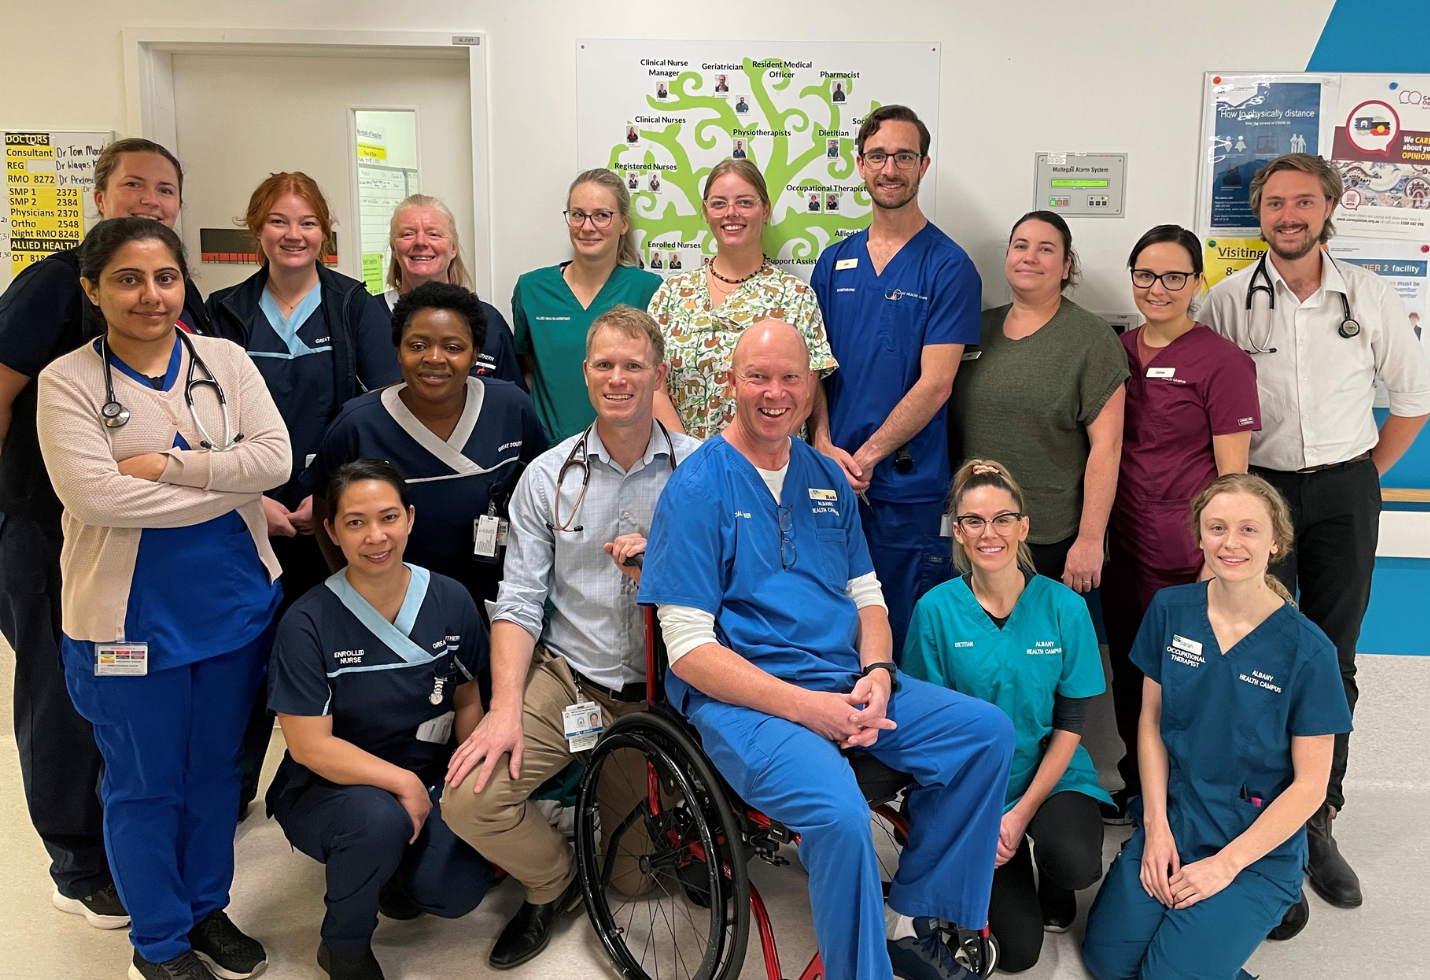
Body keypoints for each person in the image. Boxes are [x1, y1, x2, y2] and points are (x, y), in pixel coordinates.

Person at [639, 321, 1014, 980]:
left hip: (843, 677)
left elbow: (868, 596)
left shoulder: (825, 477)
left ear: (811, 386)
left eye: (790, 377)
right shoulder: (697, 488)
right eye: (758, 376)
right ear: (731, 383)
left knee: (985, 733)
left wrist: (875, 670)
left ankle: (910, 918)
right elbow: (691, 652)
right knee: (841, 817)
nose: (775, 392)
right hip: (746, 699)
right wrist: (810, 710)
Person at [36, 218, 291, 980]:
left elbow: (274, 459)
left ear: (184, 284)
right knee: (145, 783)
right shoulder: (67, 383)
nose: (151, 295)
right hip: (128, 622)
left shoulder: (225, 359)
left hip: (233, 607)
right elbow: (96, 496)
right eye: (128, 279)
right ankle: (158, 943)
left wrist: (172, 468)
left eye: (165, 278)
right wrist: (220, 476)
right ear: (93, 289)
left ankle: (205, 909)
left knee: (216, 772)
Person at [1200, 153, 1430, 920]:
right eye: (1273, 204)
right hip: (1259, 493)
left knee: (1331, 656)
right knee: (1253, 653)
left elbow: (1414, 397)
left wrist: (1362, 471)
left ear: (1329, 207)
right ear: (1258, 214)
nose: (1288, 216)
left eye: (1303, 202)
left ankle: (1318, 820)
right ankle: (1253, 814)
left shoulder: (1366, 294)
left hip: (1342, 490)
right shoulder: (1229, 300)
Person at [441, 305, 700, 969]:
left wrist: (663, 559)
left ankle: (624, 828)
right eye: (605, 364)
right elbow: (522, 601)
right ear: (585, 374)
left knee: (638, 878)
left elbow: (734, 584)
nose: (619, 378)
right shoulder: (548, 476)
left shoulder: (700, 472)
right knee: (470, 802)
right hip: (571, 681)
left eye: (634, 365)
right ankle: (554, 880)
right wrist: (503, 712)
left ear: (659, 374)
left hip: (665, 697)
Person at [0, 137, 209, 930]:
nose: (149, 201)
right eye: (133, 186)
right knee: (61, 691)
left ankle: (131, 834)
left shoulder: (181, 299)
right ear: (100, 196)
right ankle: (77, 862)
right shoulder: (54, 285)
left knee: (127, 687)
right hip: (48, 527)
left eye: (164, 189)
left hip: (142, 535)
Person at [1082, 474, 1353, 980]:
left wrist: (1225, 865)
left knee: (1165, 976)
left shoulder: (1308, 651)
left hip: (1253, 847)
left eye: (1249, 529)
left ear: (1276, 541)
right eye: (1217, 528)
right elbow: (1151, 723)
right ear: (1200, 536)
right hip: (1178, 819)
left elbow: (1311, 787)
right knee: (1107, 962)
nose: (1231, 542)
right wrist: (1157, 829)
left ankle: (1261, 907)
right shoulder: (1170, 610)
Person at [207, 172, 401, 811]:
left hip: (333, 512)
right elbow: (205, 417)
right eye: (280, 222)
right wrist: (249, 500)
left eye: (308, 223)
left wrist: (333, 498)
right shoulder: (225, 311)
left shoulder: (354, 306)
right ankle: (231, 794)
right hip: (247, 508)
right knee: (245, 654)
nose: (294, 235)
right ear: (256, 230)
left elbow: (381, 409)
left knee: (335, 651)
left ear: (326, 234)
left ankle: (328, 789)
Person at [268, 460, 497, 980]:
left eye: (389, 517)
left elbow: (466, 701)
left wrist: (466, 783)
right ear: (330, 530)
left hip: (428, 773)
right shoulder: (308, 623)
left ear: (411, 519)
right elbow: (309, 747)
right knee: (378, 821)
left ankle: (389, 870)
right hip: (330, 786)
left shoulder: (450, 599)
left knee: (454, 891)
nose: (376, 536)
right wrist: (404, 785)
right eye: (355, 522)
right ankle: (343, 945)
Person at [903, 460, 1109, 973]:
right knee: (1018, 954)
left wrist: (1018, 814)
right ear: (957, 529)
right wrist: (985, 815)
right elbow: (930, 726)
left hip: (1051, 771)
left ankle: (1049, 871)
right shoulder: (935, 609)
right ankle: (1004, 857)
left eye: (1002, 519)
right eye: (973, 520)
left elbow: (1072, 720)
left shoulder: (1063, 607)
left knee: (1075, 858)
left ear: (1024, 528)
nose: (988, 533)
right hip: (973, 785)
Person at [1101, 225, 1260, 824]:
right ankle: (1140, 789)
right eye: (1145, 275)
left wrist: (1213, 561)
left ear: (1197, 283)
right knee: (1133, 669)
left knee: (1188, 681)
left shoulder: (1221, 361)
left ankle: (1190, 801)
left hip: (1182, 555)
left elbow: (1233, 480)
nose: (1158, 288)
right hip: (1124, 548)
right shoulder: (1116, 348)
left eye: (1174, 277)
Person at [811, 105, 982, 660]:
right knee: (827, 625)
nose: (891, 168)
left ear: (923, 165)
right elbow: (814, 369)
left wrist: (868, 456)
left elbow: (936, 385)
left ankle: (891, 746)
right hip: (830, 477)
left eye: (904, 156)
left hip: (904, 490)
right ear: (859, 165)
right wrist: (821, 443)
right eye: (879, 155)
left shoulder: (949, 266)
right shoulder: (832, 261)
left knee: (900, 639)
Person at [306, 282, 546, 610]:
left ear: (476, 353)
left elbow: (538, 493)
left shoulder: (509, 407)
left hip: (495, 599)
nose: (434, 358)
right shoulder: (358, 425)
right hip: (394, 602)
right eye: (417, 345)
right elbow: (325, 506)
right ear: (398, 349)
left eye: (453, 346)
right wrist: (353, 584)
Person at [948, 211, 1128, 591]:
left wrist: (1091, 539)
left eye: (1045, 249)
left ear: (1066, 267)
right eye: (1020, 246)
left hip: (1049, 537)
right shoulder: (975, 329)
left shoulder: (1091, 338)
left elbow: (1107, 448)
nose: (1030, 256)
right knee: (975, 646)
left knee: (1039, 647)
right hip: (976, 533)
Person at [647, 158, 835, 439]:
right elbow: (651, 384)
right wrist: (690, 458)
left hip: (765, 467)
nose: (731, 213)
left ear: (765, 210)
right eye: (719, 203)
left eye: (745, 202)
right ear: (706, 211)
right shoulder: (671, 293)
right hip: (683, 467)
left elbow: (806, 392)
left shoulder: (795, 297)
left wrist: (748, 458)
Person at [515, 167, 659, 446]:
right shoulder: (532, 289)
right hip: (548, 451)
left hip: (627, 447)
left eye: (602, 215)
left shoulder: (648, 290)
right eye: (578, 215)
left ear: (624, 224)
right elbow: (527, 368)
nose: (587, 226)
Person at [379, 193, 524, 389]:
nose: (421, 242)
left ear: (453, 248)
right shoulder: (365, 315)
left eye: (433, 234)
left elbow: (512, 404)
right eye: (407, 234)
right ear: (394, 249)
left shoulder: (487, 320)